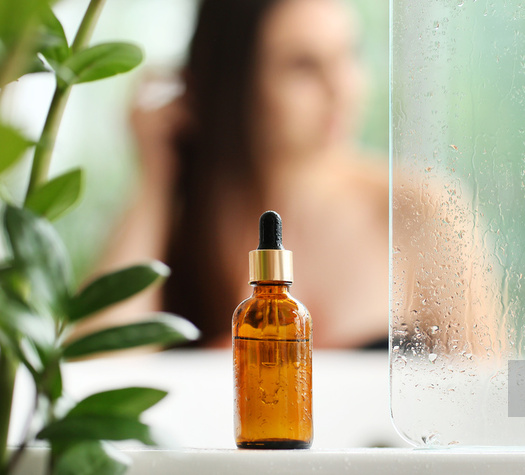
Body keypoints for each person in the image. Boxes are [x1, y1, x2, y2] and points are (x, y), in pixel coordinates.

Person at [81, 0, 390, 349]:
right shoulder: (186, 231)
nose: (341, 88)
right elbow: (96, 364)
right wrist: (155, 179)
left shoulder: (412, 215)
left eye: (349, 54)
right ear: (233, 82)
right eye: (302, 66)